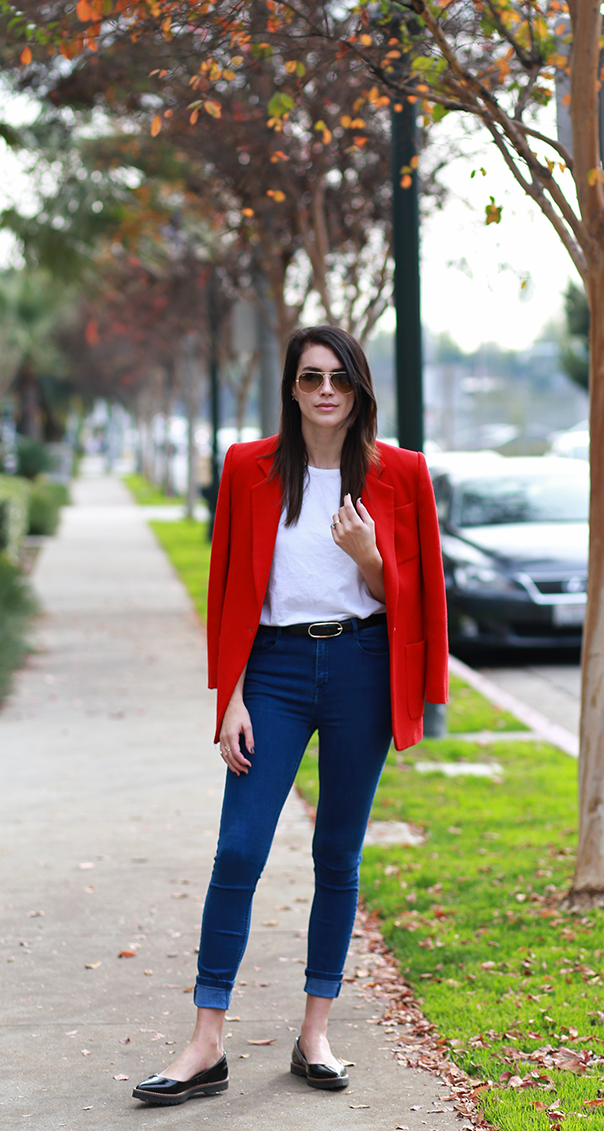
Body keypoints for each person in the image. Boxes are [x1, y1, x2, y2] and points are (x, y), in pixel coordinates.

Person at [133, 325, 448, 1107]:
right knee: (238, 850)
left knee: (337, 855)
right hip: (270, 671)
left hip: (361, 669)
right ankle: (205, 1045)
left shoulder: (400, 474)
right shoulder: (247, 467)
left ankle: (316, 1033)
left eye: (339, 378)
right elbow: (229, 588)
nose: (326, 392)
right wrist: (229, 696)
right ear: (293, 388)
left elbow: (423, 598)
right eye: (311, 379)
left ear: (360, 388)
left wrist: (370, 558)